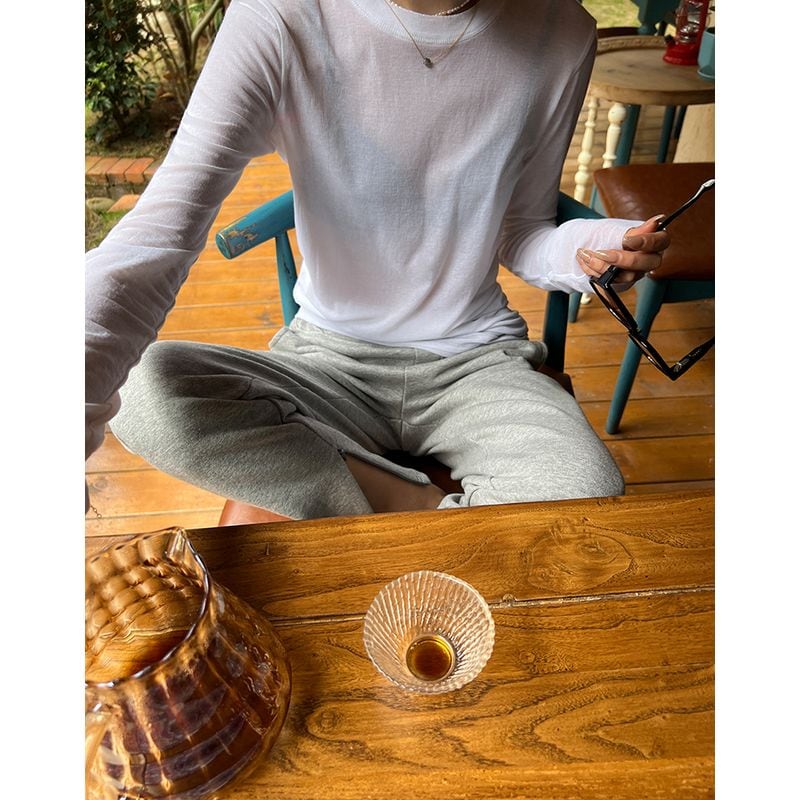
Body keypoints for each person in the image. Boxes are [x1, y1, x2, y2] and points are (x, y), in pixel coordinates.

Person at [85, 0, 669, 520]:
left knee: (587, 489)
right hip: (326, 358)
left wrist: (593, 248)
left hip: (475, 360)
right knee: (143, 396)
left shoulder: (560, 28)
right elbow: (155, 240)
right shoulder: (281, 15)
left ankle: (382, 506)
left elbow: (523, 229)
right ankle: (418, 509)